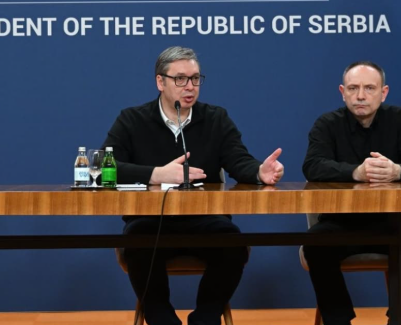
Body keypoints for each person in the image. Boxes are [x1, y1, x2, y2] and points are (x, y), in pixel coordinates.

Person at [103, 46, 284, 325]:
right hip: (151, 222)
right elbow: (106, 167)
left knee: (234, 244)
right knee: (137, 243)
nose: (190, 87)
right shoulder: (132, 119)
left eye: (196, 78)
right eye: (180, 79)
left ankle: (206, 317)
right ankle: (162, 318)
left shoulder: (216, 118)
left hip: (205, 220)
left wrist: (260, 171)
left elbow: (239, 161)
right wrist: (157, 174)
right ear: (160, 82)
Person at [301, 61, 401, 325]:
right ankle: (338, 320)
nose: (360, 95)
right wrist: (355, 172)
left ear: (384, 92)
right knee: (315, 244)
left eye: (369, 88)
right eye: (353, 88)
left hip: (391, 224)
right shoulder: (327, 124)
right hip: (339, 224)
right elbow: (312, 166)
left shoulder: (400, 120)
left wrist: (397, 170)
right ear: (342, 92)